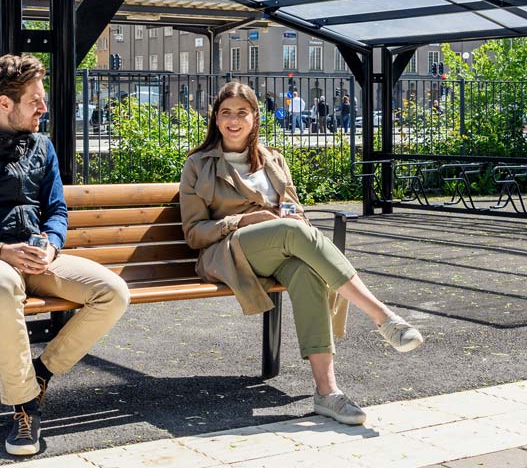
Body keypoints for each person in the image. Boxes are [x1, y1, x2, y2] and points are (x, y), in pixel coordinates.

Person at [179, 81, 423, 426]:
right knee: (293, 232)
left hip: (279, 248)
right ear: (216, 119)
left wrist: (292, 216)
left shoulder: (273, 160)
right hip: (228, 253)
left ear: (255, 118)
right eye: (226, 113)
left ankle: (328, 391)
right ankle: (382, 317)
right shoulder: (198, 164)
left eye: (242, 113)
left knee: (308, 272)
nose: (234, 121)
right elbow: (193, 234)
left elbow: (297, 213)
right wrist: (243, 220)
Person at [0, 54, 129, 458]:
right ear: (4, 104)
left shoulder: (42, 146)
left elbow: (57, 210)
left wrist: (51, 244)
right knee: (4, 284)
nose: (44, 107)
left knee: (113, 291)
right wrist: (0, 249)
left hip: (36, 257)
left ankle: (39, 374)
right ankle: (23, 408)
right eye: (35, 100)